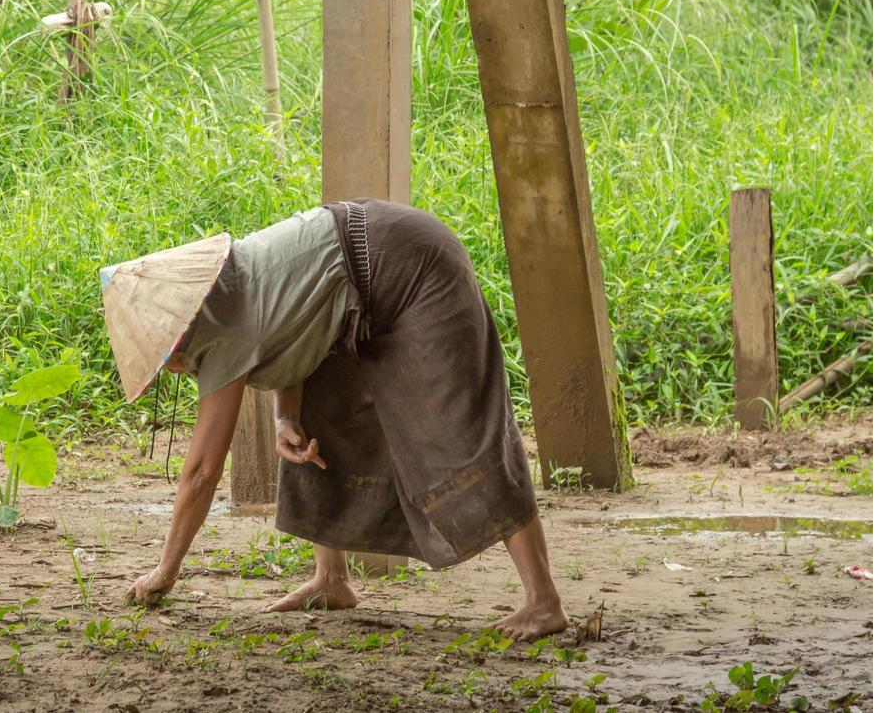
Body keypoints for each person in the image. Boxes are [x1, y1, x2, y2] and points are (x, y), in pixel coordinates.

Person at [100, 199, 568, 640]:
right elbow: (294, 335)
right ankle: (332, 579)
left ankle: (543, 600)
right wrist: (287, 417)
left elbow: (201, 472)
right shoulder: (228, 286)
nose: (173, 367)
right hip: (365, 281)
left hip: (415, 267)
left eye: (167, 357)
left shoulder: (217, 329)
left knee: (459, 430)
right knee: (319, 422)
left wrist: (166, 570)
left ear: (177, 332)